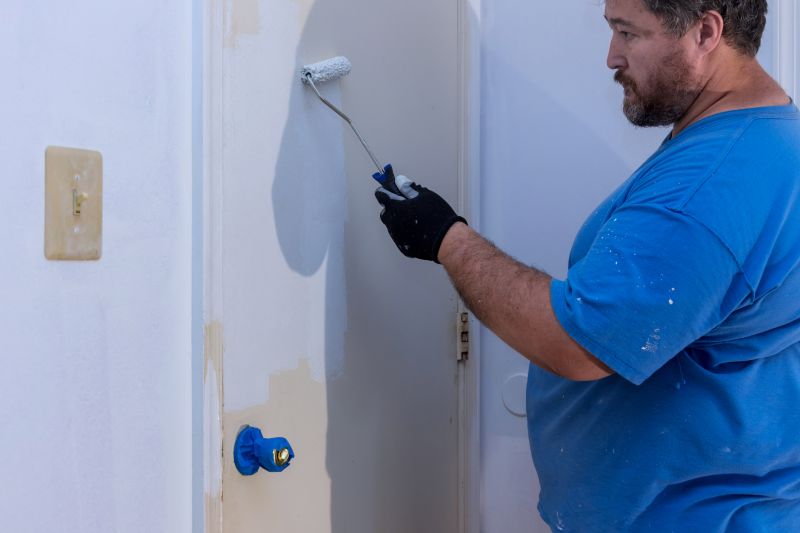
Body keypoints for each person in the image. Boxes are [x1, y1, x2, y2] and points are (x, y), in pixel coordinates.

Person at [374, 0, 800, 530]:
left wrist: (446, 239)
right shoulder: (770, 135)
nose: (611, 56)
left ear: (706, 32)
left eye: (627, 32)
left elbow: (576, 343)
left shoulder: (709, 184)